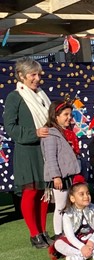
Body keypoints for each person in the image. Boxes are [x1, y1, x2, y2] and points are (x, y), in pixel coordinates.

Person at [3, 57, 52, 248]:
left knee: (44, 192)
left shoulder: (42, 95)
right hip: (27, 151)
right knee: (31, 192)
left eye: (39, 74)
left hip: (44, 149)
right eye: (33, 74)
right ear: (22, 76)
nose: (37, 78)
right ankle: (34, 234)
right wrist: (35, 133)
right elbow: (10, 127)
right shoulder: (14, 97)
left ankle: (43, 231)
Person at [41, 101, 81, 239]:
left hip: (68, 174)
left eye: (70, 114)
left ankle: (70, 230)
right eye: (65, 114)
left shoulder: (66, 133)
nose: (69, 117)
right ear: (56, 116)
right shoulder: (51, 134)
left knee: (69, 205)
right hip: (60, 176)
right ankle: (59, 233)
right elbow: (50, 157)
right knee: (61, 206)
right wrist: (56, 176)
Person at [52, 176, 94, 260]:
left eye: (88, 193)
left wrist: (91, 241)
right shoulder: (67, 214)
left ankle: (79, 258)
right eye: (82, 194)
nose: (86, 196)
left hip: (92, 240)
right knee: (58, 244)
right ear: (72, 198)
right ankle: (92, 255)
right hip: (76, 242)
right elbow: (70, 237)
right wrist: (82, 247)